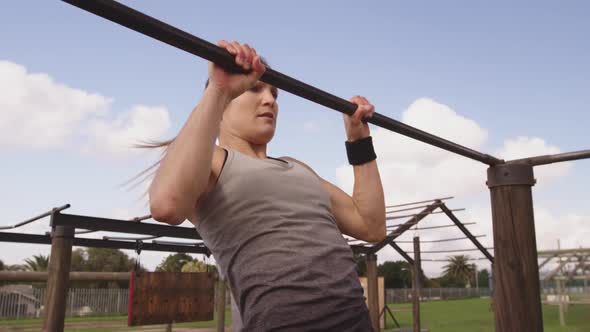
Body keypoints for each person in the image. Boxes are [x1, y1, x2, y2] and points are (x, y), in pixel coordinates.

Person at [147, 40, 386, 331]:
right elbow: (166, 204)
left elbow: (371, 225)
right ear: (224, 103)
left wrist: (359, 141)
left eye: (274, 92)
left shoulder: (297, 167)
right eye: (254, 89)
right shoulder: (212, 161)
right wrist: (218, 89)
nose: (271, 99)